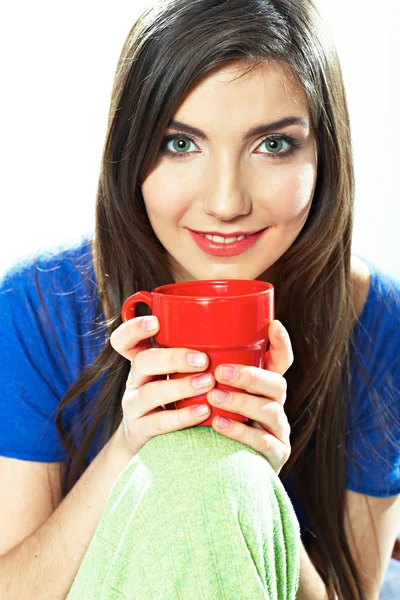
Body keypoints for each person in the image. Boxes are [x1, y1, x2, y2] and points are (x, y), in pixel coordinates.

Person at [0, 0, 399, 598]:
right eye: (180, 144)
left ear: (325, 158)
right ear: (130, 156)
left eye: (273, 146)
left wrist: (258, 481)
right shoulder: (38, 306)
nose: (225, 201)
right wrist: (130, 449)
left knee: (218, 476)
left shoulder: (374, 321)